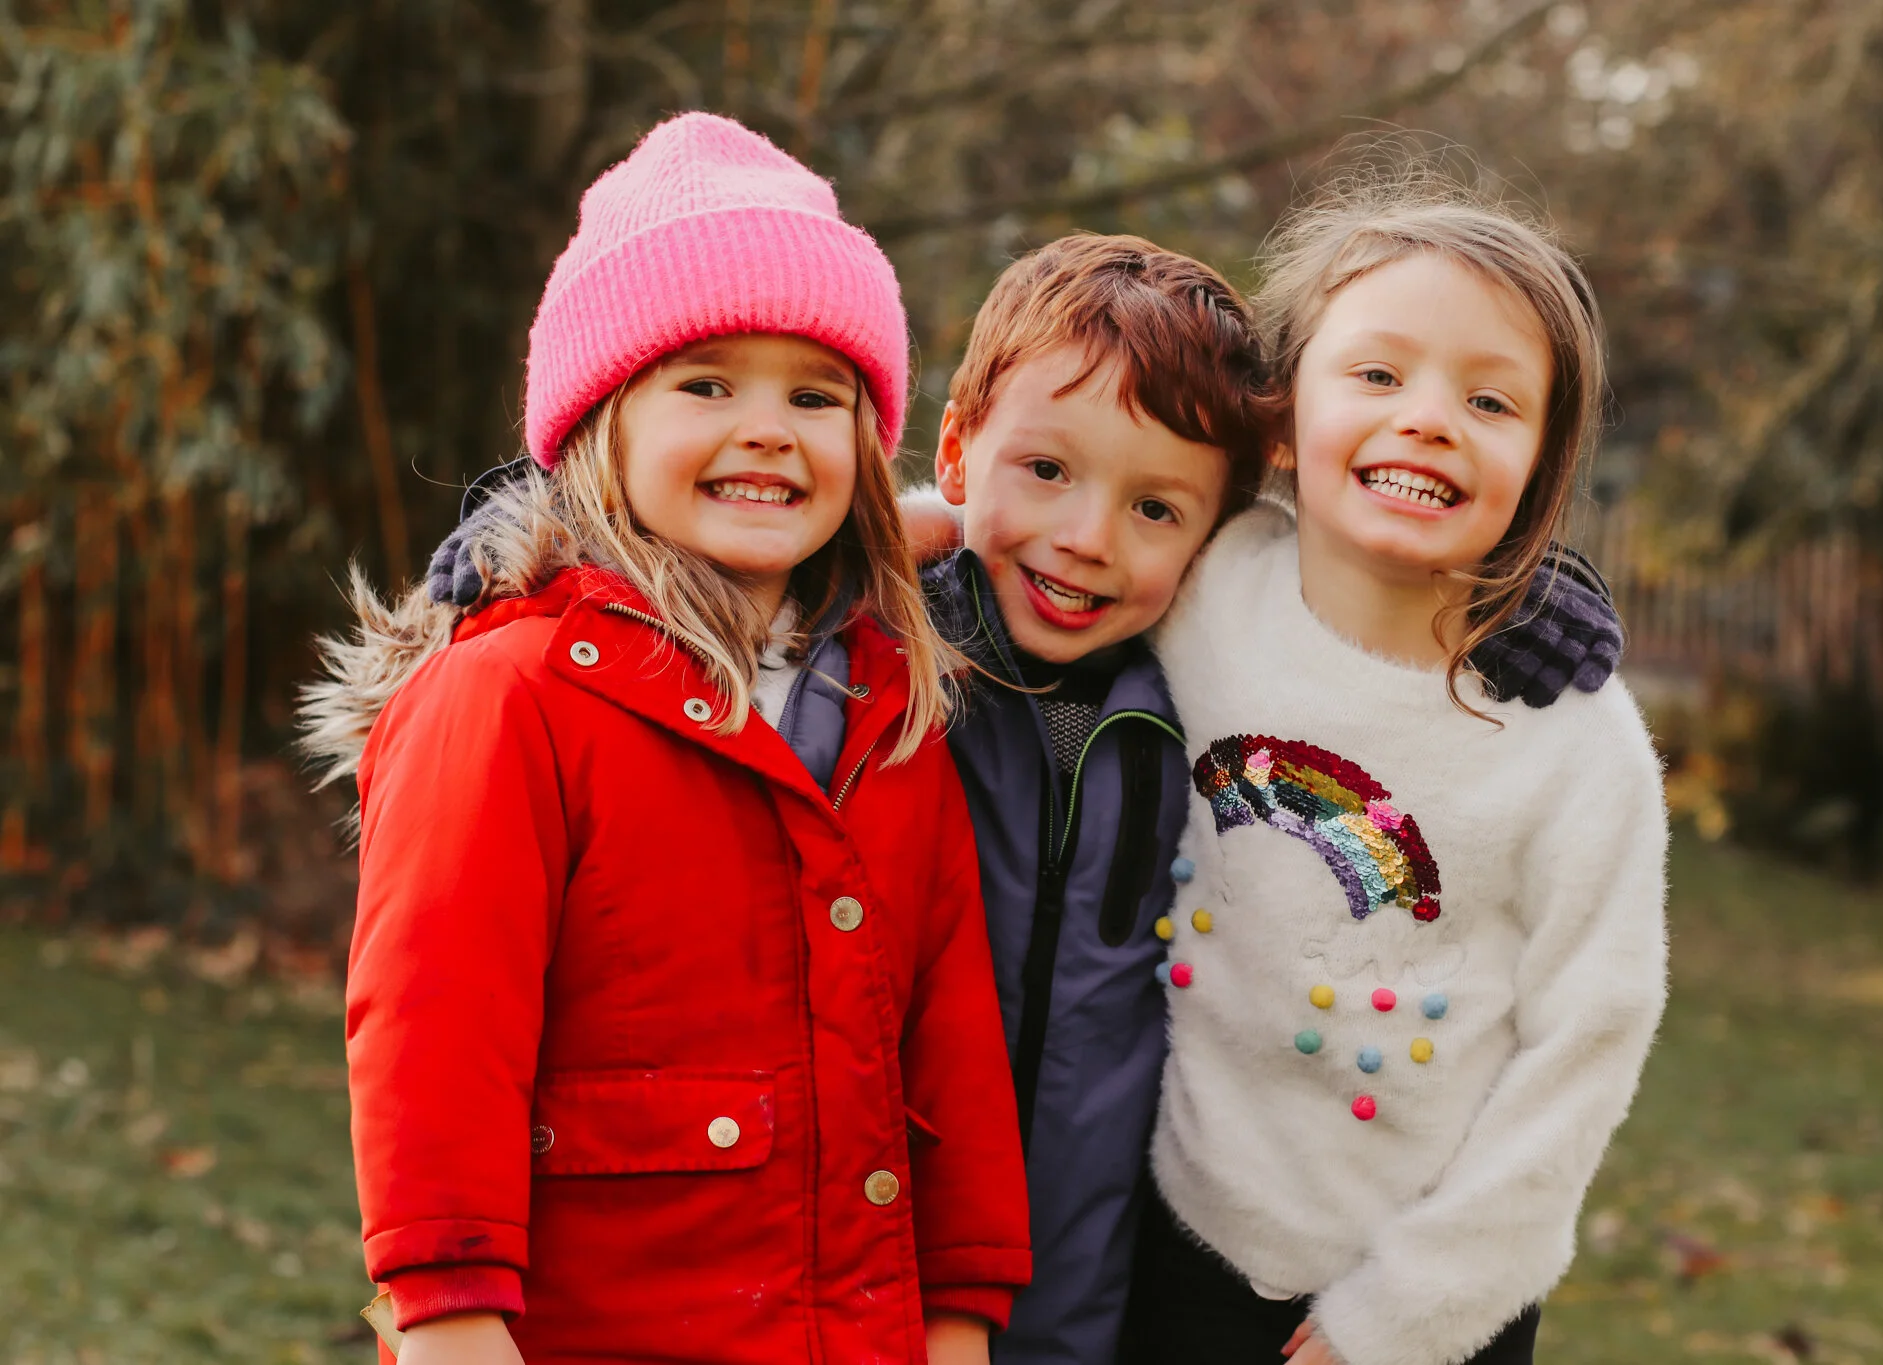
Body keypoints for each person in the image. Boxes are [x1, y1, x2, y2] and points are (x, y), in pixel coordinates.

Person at [426, 229, 1628, 1365]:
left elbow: (1346, 553)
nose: (1084, 538)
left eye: (1155, 510)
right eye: (1044, 473)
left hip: (1090, 1288)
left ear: (1209, 531)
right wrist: (541, 518)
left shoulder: (1202, 651)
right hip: (840, 1275)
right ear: (953, 452)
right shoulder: (866, 647)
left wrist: (1520, 589)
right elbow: (709, 552)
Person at [298, 112, 1030, 1365]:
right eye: (706, 385)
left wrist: (956, 1319)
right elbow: (433, 1033)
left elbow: (949, 1043)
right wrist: (448, 1320)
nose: (766, 426)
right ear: (600, 426)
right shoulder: (511, 696)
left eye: (815, 394)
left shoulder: (892, 712)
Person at [1121, 182, 1669, 1365]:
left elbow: (1583, 1052)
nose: (1427, 419)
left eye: (1487, 399)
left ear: (1539, 464)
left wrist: (1405, 1318)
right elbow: (1058, 544)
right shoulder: (1206, 586)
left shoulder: (1573, 745)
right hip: (1171, 1245)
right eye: (1376, 375)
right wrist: (919, 528)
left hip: (1421, 1305)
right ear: (1276, 420)